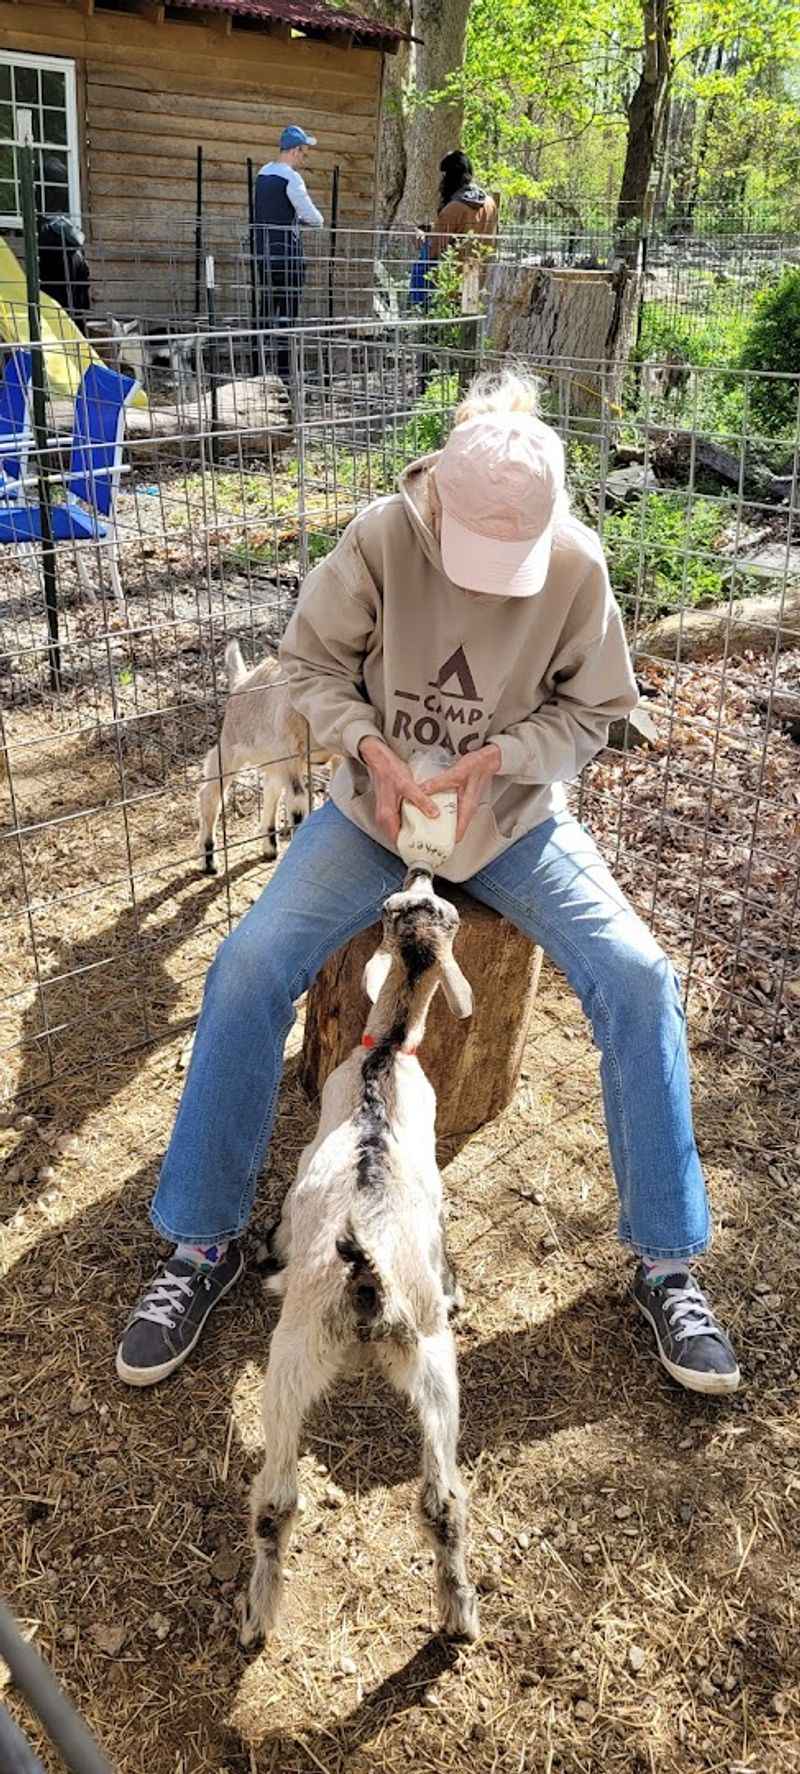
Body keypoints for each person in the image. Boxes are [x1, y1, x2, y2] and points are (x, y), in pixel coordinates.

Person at [116, 368, 740, 1400]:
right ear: (432, 498)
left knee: (635, 973)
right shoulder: (377, 536)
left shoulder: (577, 567)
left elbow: (594, 710)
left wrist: (500, 759)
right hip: (370, 810)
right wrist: (370, 747)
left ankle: (667, 1261)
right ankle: (201, 1242)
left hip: (508, 823)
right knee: (245, 965)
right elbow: (307, 665)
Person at [253, 125, 324, 382]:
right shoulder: (291, 178)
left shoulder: (263, 174)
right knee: (287, 315)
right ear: (294, 151)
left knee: (265, 310)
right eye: (304, 153)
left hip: (263, 254)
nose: (304, 159)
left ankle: (258, 370)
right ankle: (284, 374)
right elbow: (313, 218)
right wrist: (304, 220)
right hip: (289, 255)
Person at [429, 150, 497, 267]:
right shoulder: (490, 203)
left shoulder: (453, 209)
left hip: (453, 278)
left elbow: (434, 251)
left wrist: (422, 240)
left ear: (448, 177)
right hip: (482, 274)